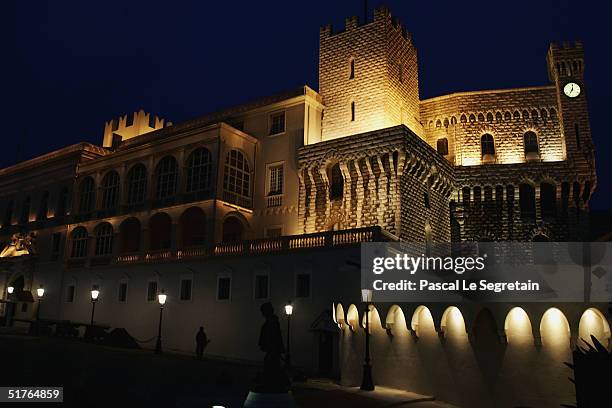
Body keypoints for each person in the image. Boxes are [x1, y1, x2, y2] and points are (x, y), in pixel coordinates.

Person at [256, 302, 289, 391]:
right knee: (272, 366)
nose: (262, 314)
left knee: (271, 366)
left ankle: (271, 384)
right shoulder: (272, 322)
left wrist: (272, 348)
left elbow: (274, 336)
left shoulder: (272, 322)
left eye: (263, 312)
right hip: (272, 350)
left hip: (272, 350)